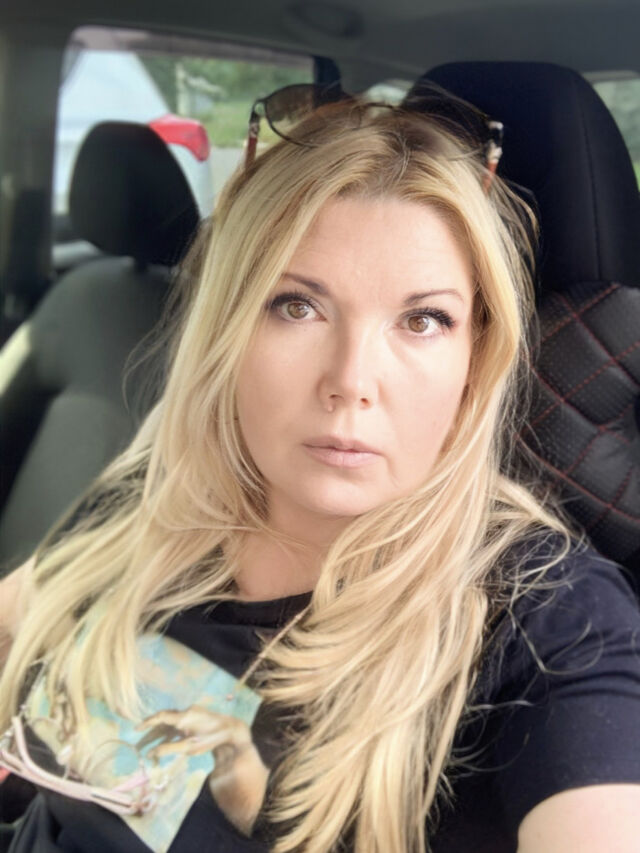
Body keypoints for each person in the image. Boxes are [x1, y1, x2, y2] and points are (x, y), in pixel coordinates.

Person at [1, 87, 640, 853]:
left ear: (475, 359)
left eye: (423, 319)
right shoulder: (147, 498)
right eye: (297, 305)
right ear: (227, 327)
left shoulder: (548, 623)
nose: (351, 380)